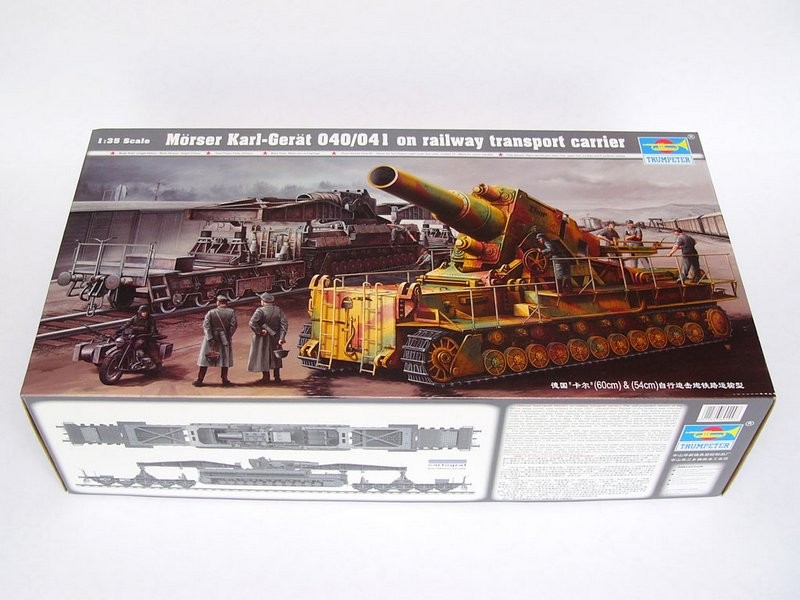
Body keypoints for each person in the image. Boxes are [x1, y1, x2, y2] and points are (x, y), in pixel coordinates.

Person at [193, 295, 237, 387]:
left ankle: (200, 380)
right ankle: (224, 380)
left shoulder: (211, 312)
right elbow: (233, 326)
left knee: (205, 359)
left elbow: (206, 326)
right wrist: (228, 336)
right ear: (226, 303)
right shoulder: (231, 312)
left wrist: (210, 337)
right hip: (224, 338)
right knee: (225, 359)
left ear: (218, 302)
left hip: (211, 338)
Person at [247, 292, 289, 384]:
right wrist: (281, 338)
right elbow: (284, 325)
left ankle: (266, 377)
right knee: (276, 356)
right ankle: (277, 377)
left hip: (263, 338)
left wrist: (260, 331)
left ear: (263, 301)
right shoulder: (278, 310)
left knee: (263, 356)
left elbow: (252, 323)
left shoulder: (260, 311)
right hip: (276, 337)